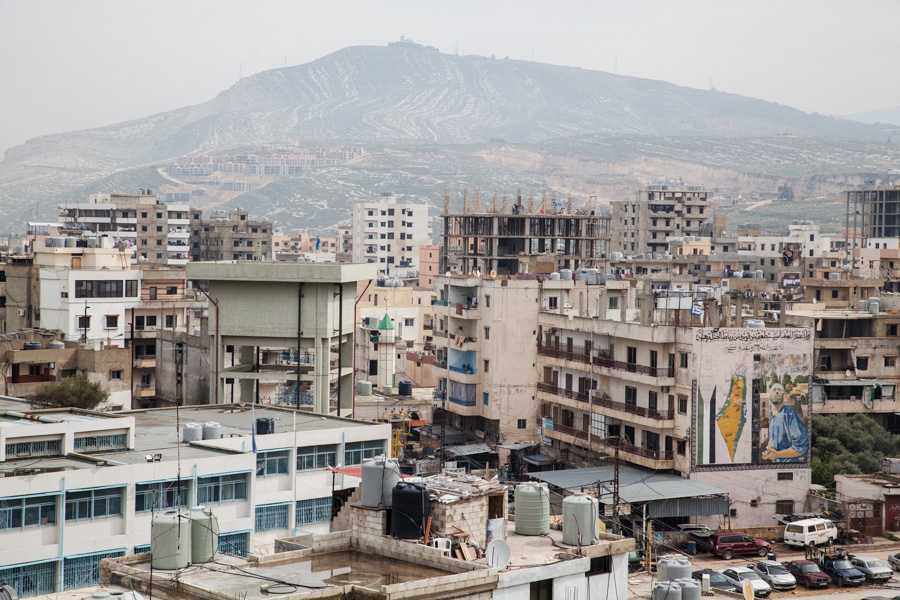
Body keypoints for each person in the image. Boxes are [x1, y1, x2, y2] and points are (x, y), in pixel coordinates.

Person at [761, 383, 809, 462]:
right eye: (774, 390)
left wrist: (777, 454)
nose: (777, 392)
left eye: (779, 390)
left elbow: (801, 447)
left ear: (783, 395)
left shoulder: (789, 413)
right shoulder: (772, 419)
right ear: (769, 395)